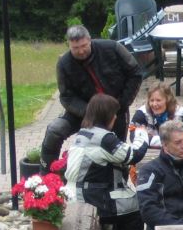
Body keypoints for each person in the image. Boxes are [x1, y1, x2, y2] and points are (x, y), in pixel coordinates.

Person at [64, 95, 149, 230]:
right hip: (89, 198)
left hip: (77, 193)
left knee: (127, 204)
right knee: (140, 208)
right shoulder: (104, 138)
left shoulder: (85, 132)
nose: (116, 117)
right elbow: (133, 155)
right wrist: (142, 134)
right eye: (114, 113)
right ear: (107, 115)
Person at [42, 25, 142, 170]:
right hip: (83, 112)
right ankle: (47, 175)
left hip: (116, 110)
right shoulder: (64, 63)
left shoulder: (113, 48)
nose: (80, 51)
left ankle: (116, 179)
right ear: (69, 45)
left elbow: (135, 73)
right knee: (55, 130)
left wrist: (122, 103)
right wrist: (89, 112)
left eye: (83, 46)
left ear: (90, 40)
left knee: (116, 152)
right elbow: (67, 97)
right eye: (75, 48)